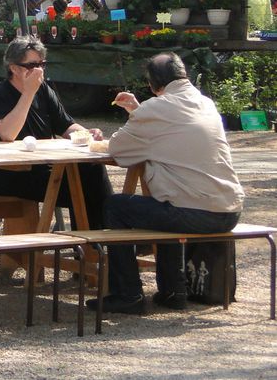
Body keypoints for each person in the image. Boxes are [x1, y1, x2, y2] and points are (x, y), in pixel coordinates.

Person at [88, 53, 244, 314]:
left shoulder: (157, 108)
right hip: (229, 211)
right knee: (166, 202)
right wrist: (139, 112)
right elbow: (171, 130)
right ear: (184, 75)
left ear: (152, 84)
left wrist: (139, 114)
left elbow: (117, 148)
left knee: (116, 206)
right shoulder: (205, 103)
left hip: (196, 213)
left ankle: (128, 295)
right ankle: (173, 291)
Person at [0, 38, 111, 228]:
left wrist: (87, 133)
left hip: (42, 168)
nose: (39, 70)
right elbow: (8, 134)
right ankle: (96, 242)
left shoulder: (43, 90)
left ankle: (96, 241)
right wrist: (28, 93)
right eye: (32, 65)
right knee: (86, 187)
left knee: (90, 170)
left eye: (42, 64)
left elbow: (65, 125)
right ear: (14, 68)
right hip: (9, 174)